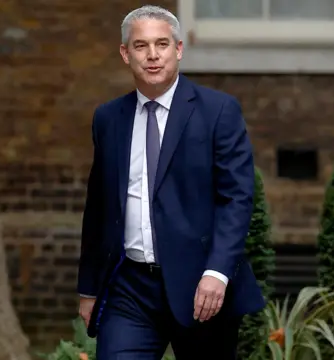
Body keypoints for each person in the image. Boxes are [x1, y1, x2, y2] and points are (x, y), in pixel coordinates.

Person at [77, 5, 265, 359]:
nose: (152, 55)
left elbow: (237, 198)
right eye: (140, 45)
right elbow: (99, 207)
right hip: (128, 288)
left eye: (162, 44)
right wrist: (89, 287)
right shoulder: (108, 118)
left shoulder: (218, 112)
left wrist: (217, 273)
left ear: (178, 49)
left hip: (201, 287)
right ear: (125, 54)